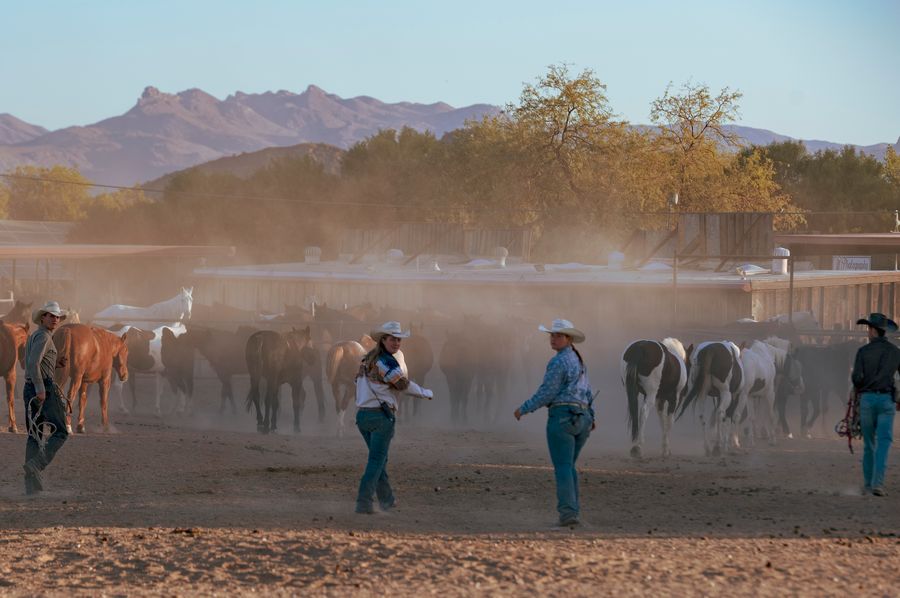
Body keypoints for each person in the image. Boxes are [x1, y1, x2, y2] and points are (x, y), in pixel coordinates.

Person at [515, 319, 595, 527]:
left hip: (562, 416)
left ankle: (568, 513)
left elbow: (547, 392)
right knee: (569, 466)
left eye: (558, 335)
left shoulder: (558, 361)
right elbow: (587, 391)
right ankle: (573, 509)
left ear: (568, 339)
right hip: (582, 417)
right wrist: (591, 415)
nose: (553, 338)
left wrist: (525, 407)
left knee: (562, 467)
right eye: (552, 335)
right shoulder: (579, 361)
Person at [354, 321, 433, 514]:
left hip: (363, 416)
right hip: (380, 417)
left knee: (379, 460)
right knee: (377, 461)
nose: (397, 343)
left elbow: (357, 383)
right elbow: (403, 385)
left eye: (398, 340)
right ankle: (363, 502)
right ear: (383, 340)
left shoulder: (366, 361)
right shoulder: (387, 362)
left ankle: (387, 500)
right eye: (393, 339)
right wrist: (425, 392)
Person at [23, 300, 69, 495]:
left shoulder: (36, 336)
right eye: (51, 316)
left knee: (35, 435)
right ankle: (37, 464)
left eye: (57, 316)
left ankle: (31, 487)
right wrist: (41, 389)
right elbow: (33, 364)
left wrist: (54, 362)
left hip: (30, 387)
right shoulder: (44, 337)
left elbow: (36, 362)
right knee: (61, 431)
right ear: (43, 317)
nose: (55, 319)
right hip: (43, 389)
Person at [852, 312, 900, 497]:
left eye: (868, 329)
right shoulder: (896, 352)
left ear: (873, 331)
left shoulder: (862, 352)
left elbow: (856, 378)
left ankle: (867, 484)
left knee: (869, 444)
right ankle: (877, 484)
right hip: (887, 401)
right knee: (884, 443)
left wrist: (862, 385)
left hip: (867, 400)